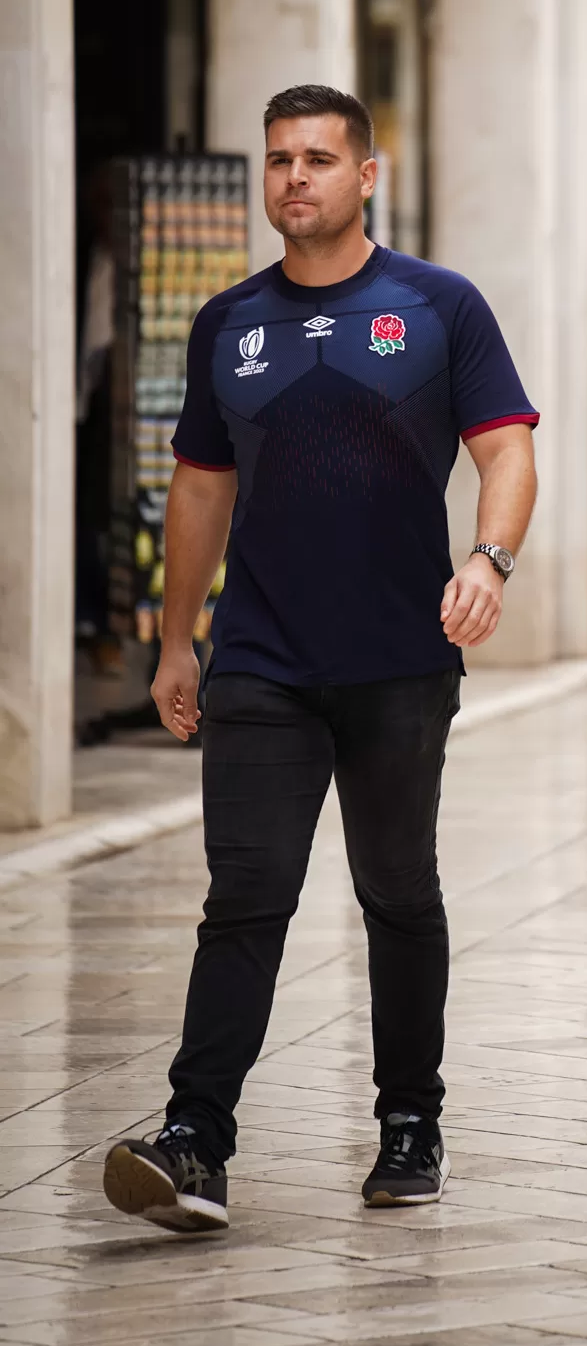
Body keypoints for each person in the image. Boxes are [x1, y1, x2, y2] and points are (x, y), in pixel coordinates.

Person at [102, 84, 538, 1236]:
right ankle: (195, 1137)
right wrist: (176, 638)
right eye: (279, 158)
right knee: (244, 895)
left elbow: (506, 449)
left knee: (396, 890)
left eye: (318, 158)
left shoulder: (438, 305)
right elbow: (202, 487)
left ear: (366, 175)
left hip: (400, 656)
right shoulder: (228, 321)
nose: (295, 176)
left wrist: (489, 559)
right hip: (261, 661)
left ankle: (410, 1120)